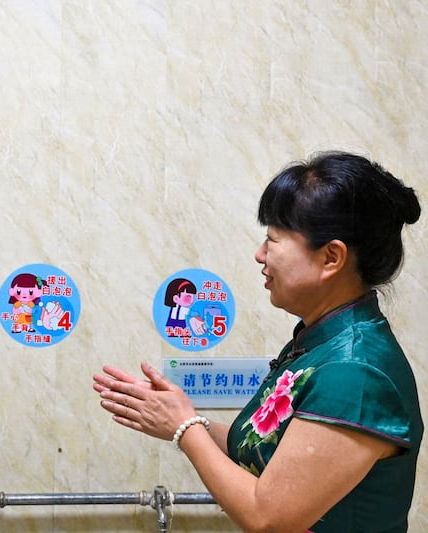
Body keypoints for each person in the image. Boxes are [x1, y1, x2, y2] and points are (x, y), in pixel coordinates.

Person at [93, 151, 423, 532]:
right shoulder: (320, 343)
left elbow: (267, 518)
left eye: (273, 239)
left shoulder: (356, 372)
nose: (260, 254)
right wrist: (176, 414)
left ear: (331, 257)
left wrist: (184, 429)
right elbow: (260, 452)